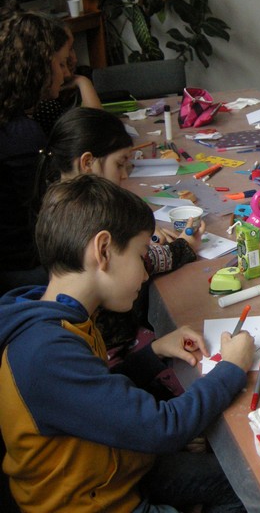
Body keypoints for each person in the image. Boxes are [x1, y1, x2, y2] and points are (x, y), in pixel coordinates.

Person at [0, 174, 255, 512]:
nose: (146, 274)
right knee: (251, 490)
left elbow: (97, 394)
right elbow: (163, 427)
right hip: (97, 503)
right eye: (140, 256)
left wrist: (153, 352)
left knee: (242, 484)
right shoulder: (46, 352)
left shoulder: (61, 314)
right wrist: (232, 368)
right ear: (103, 250)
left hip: (115, 470)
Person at [35, 107, 206, 365]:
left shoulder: (59, 203)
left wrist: (135, 236)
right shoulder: (65, 356)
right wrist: (182, 248)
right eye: (119, 164)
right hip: (117, 344)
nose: (125, 175)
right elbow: (137, 264)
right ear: (87, 163)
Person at [0, 9, 68, 293]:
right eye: (61, 64)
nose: (66, 74)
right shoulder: (22, 134)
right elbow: (52, 214)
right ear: (40, 67)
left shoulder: (13, 122)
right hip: (23, 271)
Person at [33, 24, 101, 135]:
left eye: (72, 48)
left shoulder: (80, 74)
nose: (73, 59)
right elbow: (95, 130)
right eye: (62, 62)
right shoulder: (47, 106)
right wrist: (83, 82)